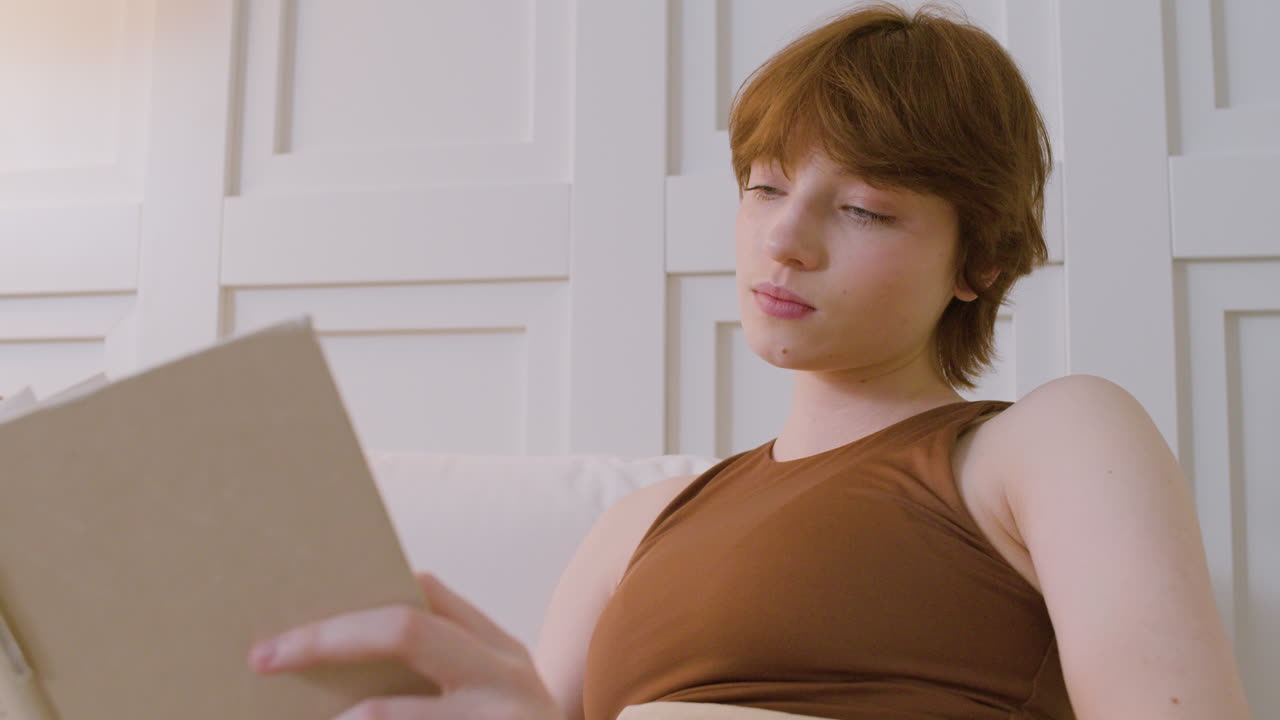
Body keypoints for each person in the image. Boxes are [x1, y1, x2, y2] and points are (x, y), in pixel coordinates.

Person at [246, 3, 1253, 719]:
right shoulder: (635, 526)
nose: (784, 239)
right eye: (765, 187)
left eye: (862, 209)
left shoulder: (1046, 443)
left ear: (977, 261)